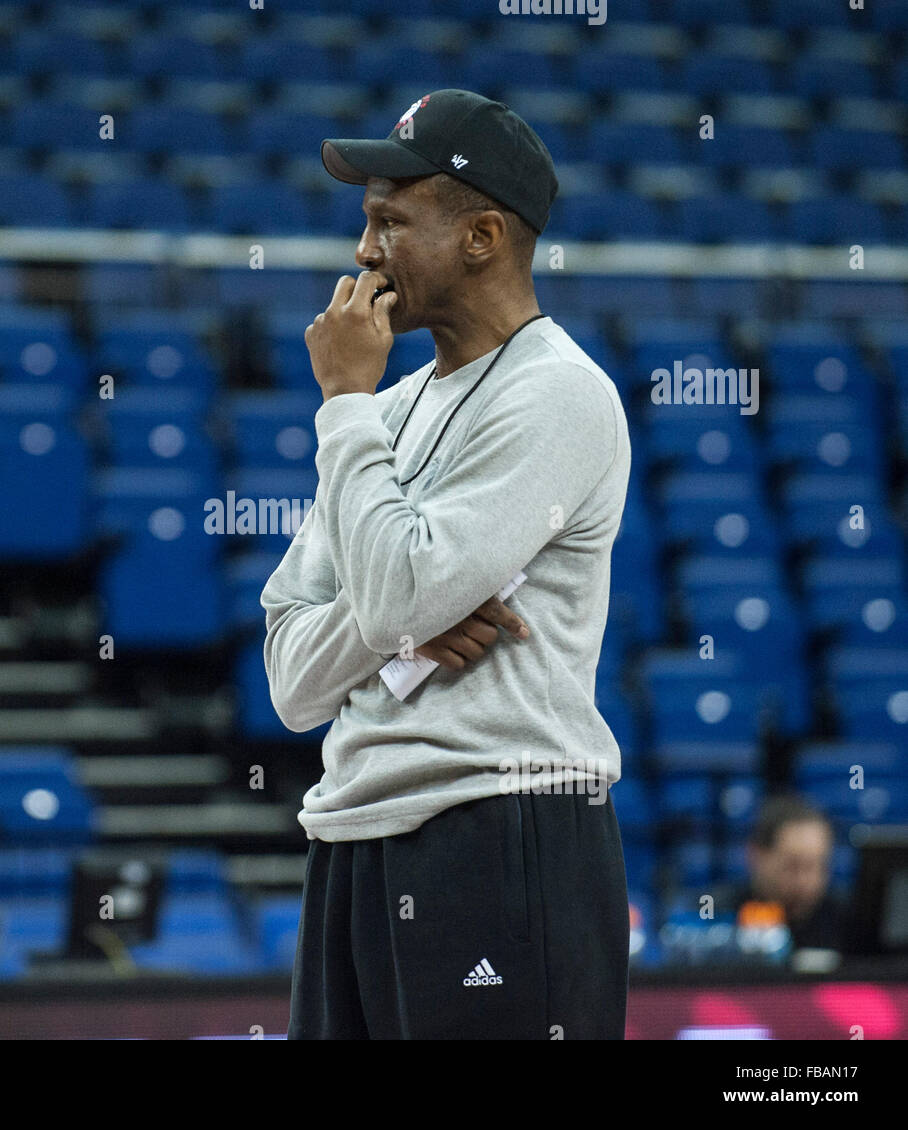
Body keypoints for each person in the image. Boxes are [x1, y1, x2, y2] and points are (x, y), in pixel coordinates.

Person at [261, 89, 632, 1039]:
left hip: (502, 831)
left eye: (390, 221)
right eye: (365, 222)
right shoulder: (386, 415)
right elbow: (293, 682)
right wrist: (400, 627)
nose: (362, 253)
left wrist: (342, 404)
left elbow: (397, 597)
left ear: (482, 236)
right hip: (350, 837)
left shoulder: (561, 396)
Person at [714, 795, 847, 951]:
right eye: (792, 866)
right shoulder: (718, 917)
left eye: (816, 867)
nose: (804, 883)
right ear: (755, 855)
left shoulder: (849, 922)